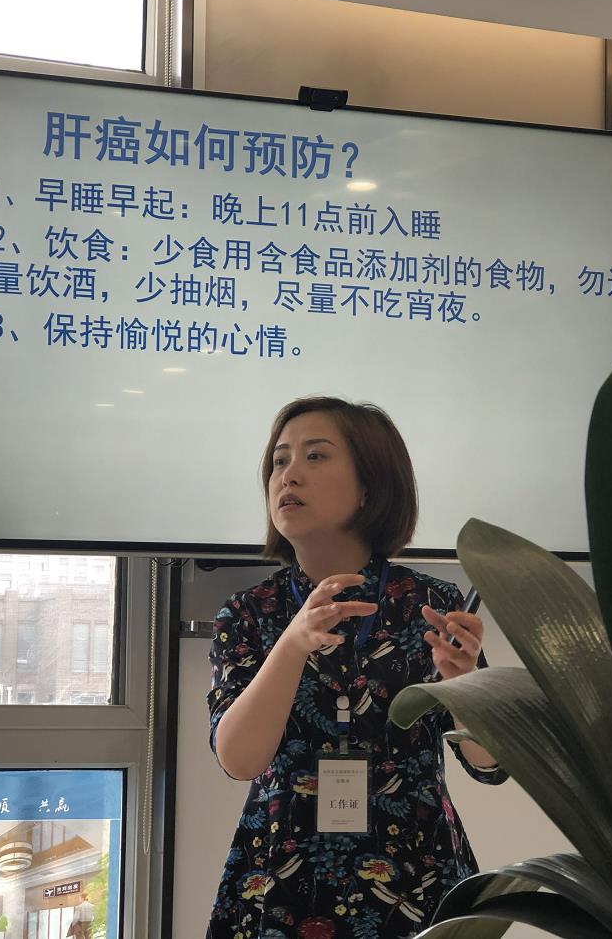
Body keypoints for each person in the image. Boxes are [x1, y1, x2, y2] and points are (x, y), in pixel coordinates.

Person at [206, 397, 507, 939]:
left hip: (416, 876)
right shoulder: (248, 613)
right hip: (281, 881)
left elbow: (490, 765)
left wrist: (466, 686)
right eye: (279, 461)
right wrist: (292, 644)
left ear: (369, 486)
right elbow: (239, 758)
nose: (288, 475)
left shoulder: (431, 603)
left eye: (315, 456)